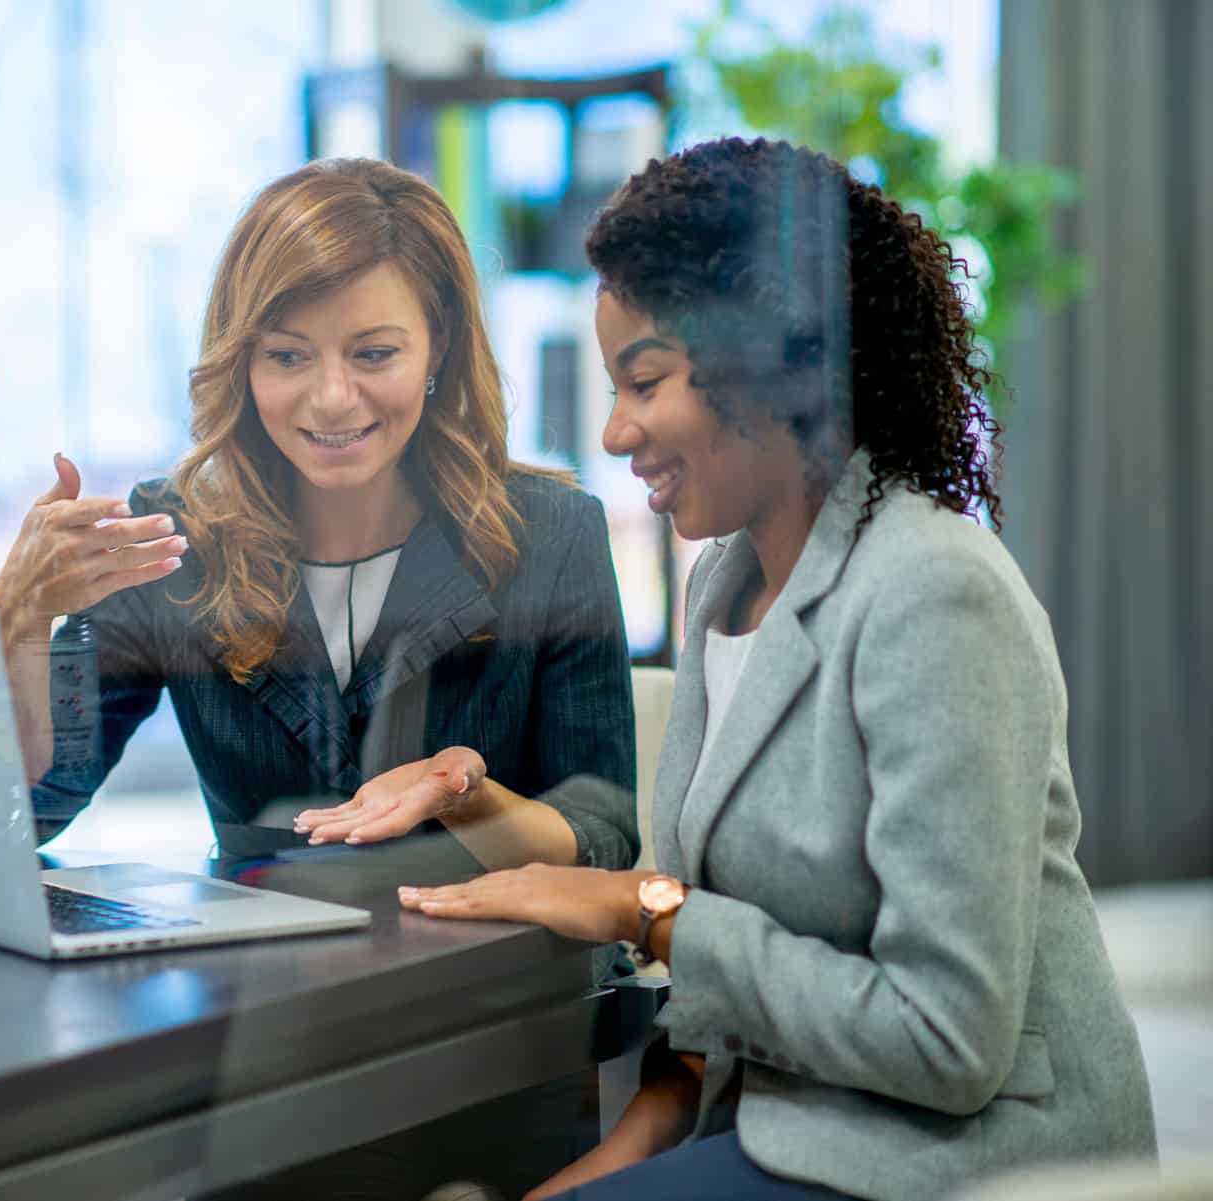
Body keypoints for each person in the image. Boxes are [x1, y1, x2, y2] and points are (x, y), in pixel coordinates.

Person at [304, 138, 1158, 1200]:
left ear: (772, 361)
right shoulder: (726, 585)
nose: (616, 431)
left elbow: (948, 1040)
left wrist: (645, 909)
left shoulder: (936, 593)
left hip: (969, 1164)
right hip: (798, 1126)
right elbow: (732, 986)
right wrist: (624, 1150)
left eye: (645, 380)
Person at [0, 156, 641, 1199]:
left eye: (373, 352)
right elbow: (26, 809)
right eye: (287, 355)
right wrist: (18, 625)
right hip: (271, 1020)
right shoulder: (179, 539)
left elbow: (605, 832)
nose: (331, 397)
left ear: (437, 351)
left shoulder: (548, 536)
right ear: (242, 365)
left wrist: (465, 789)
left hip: (496, 1016)